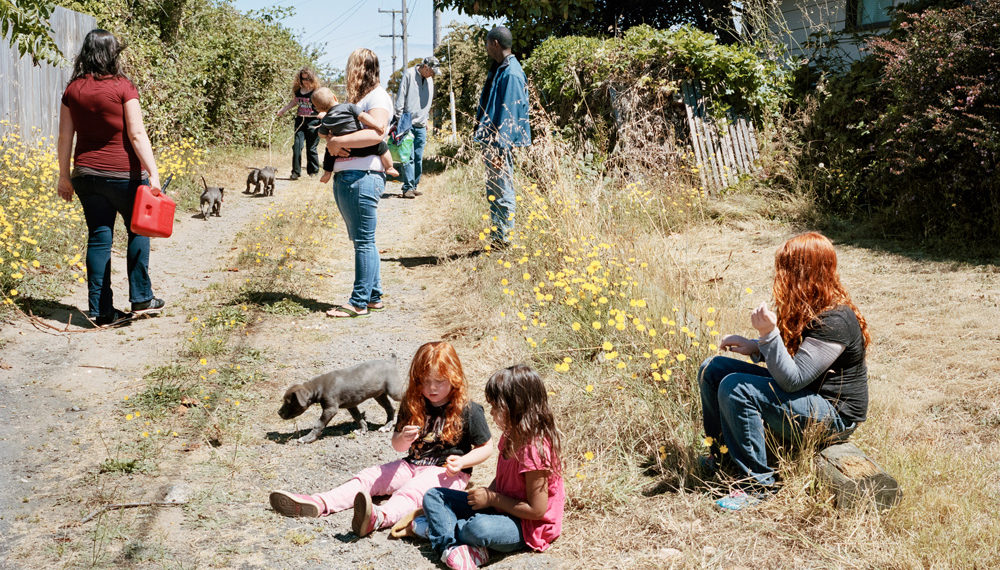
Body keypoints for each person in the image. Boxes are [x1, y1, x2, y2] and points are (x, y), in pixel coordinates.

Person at [698, 232, 871, 511]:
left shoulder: (836, 319)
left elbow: (792, 379)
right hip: (808, 395)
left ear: (806, 273)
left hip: (835, 415)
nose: (779, 277)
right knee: (712, 369)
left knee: (737, 388)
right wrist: (754, 346)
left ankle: (757, 485)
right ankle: (723, 455)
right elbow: (797, 362)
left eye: (785, 269)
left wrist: (767, 334)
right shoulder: (810, 306)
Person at [269, 341, 493, 538]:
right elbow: (397, 445)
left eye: (439, 381)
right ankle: (319, 502)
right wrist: (404, 439)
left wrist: (464, 462)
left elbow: (486, 447)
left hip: (448, 472)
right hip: (412, 463)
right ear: (416, 380)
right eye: (425, 381)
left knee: (412, 492)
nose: (431, 388)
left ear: (454, 378)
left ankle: (379, 517)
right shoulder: (413, 404)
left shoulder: (469, 410)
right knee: (368, 477)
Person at [57, 29, 165, 326]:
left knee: (99, 237)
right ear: (112, 54)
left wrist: (64, 176)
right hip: (124, 176)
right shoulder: (123, 87)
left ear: (86, 53)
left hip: (86, 175)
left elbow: (65, 136)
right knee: (138, 230)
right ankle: (142, 298)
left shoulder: (72, 90)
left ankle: (101, 311)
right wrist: (153, 174)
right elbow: (137, 133)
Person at [420, 364, 564, 570]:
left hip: (527, 526)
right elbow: (505, 478)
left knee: (477, 528)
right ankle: (452, 547)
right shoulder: (511, 434)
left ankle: (443, 531)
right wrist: (489, 494)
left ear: (517, 407)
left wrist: (491, 499)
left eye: (497, 407)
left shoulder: (534, 450)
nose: (492, 413)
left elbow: (537, 510)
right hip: (503, 506)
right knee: (434, 496)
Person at [323, 49, 393, 318]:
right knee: (365, 241)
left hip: (363, 177)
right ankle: (373, 297)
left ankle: (358, 303)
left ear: (362, 68)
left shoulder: (378, 97)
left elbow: (376, 134)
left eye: (352, 67)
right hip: (351, 176)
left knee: (363, 242)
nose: (348, 72)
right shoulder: (361, 98)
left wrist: (338, 142)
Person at [473, 26, 531, 249]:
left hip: (499, 143)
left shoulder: (512, 73)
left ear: (495, 44)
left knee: (503, 189)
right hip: (492, 141)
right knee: (494, 190)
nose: (486, 48)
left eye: (487, 43)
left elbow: (510, 116)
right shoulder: (501, 69)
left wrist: (498, 148)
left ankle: (504, 240)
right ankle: (498, 237)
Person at [308, 87, 398, 184]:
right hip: (360, 145)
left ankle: (327, 173)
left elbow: (321, 134)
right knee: (382, 146)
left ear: (319, 108)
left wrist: (327, 133)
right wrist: (377, 125)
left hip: (343, 150)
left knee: (329, 152)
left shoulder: (326, 119)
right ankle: (389, 167)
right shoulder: (349, 107)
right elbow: (363, 116)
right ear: (335, 97)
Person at [393, 56, 439, 199]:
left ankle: (414, 185)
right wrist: (399, 120)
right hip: (407, 121)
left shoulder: (430, 80)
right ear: (425, 67)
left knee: (418, 158)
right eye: (431, 71)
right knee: (409, 157)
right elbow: (400, 97)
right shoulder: (409, 74)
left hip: (421, 124)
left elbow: (427, 102)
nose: (433, 74)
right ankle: (407, 188)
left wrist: (425, 121)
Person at [276, 68, 320, 180]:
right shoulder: (298, 90)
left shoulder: (317, 91)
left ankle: (313, 171)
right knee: (297, 146)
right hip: (300, 121)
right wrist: (283, 110)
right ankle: (296, 172)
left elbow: (325, 105)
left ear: (312, 78)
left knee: (311, 148)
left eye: (307, 78)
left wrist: (323, 114)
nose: (305, 81)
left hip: (313, 121)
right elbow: (294, 102)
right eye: (303, 78)